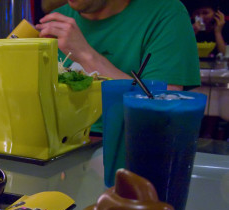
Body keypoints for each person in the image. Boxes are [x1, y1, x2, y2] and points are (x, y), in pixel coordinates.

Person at [33, 0, 201, 133]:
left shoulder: (166, 14)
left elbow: (162, 114)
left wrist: (86, 55)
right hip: (58, 147)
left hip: (129, 146)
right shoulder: (56, 20)